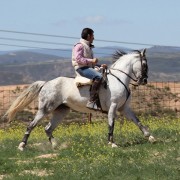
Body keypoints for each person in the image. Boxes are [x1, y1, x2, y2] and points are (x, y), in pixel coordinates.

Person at [72, 28, 107, 110]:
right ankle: (92, 101)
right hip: (81, 68)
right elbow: (78, 59)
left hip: (87, 67)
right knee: (99, 77)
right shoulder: (79, 45)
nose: (93, 38)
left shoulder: (87, 46)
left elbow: (90, 63)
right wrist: (92, 60)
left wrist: (100, 65)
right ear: (88, 36)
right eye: (93, 36)